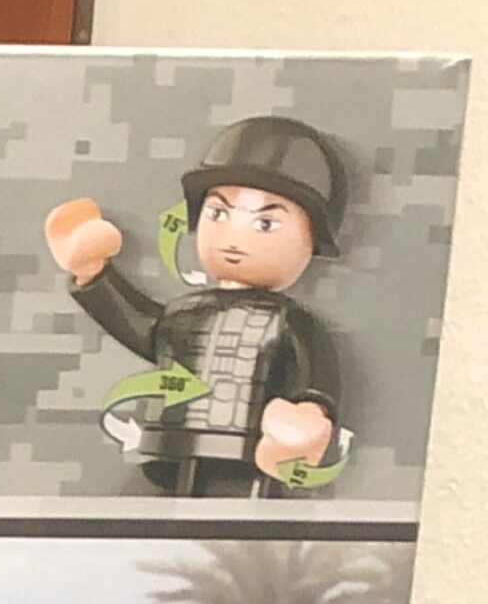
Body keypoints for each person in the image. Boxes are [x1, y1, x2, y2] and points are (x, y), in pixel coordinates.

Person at [46, 115, 347, 497]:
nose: (234, 237)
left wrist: (308, 416)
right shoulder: (184, 313)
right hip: (167, 450)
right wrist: (94, 274)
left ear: (311, 240)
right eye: (218, 213)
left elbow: (316, 375)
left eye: (265, 224)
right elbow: (140, 325)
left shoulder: (290, 323)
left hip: (246, 458)